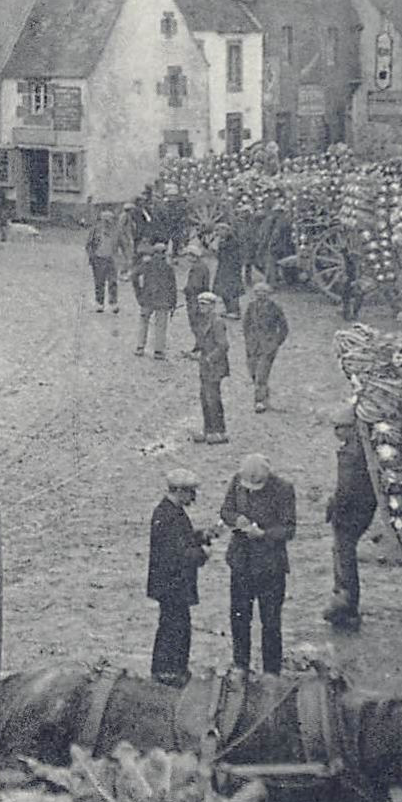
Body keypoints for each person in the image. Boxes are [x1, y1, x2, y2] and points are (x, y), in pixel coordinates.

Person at [218, 454, 296, 674]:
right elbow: (225, 511)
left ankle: (271, 672)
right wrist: (236, 520)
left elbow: (289, 529)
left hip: (270, 566)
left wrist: (264, 534)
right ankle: (240, 665)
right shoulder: (237, 481)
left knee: (271, 622)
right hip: (241, 562)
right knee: (239, 617)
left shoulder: (283, 489)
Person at [146, 469, 212, 687]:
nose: (193, 497)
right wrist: (203, 554)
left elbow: (179, 542)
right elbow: (180, 554)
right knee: (175, 628)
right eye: (191, 492)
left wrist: (201, 536)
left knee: (174, 626)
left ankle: (169, 670)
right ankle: (170, 672)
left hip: (169, 584)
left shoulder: (168, 512)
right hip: (173, 585)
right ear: (181, 491)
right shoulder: (170, 515)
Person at [324, 404, 377, 629]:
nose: (337, 433)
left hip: (352, 511)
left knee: (343, 555)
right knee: (343, 553)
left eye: (341, 428)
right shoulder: (362, 448)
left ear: (351, 428)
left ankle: (345, 604)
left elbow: (345, 489)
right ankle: (345, 602)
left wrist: (334, 507)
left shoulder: (350, 454)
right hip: (364, 507)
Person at [242, 281, 290, 413]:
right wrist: (248, 339)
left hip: (267, 347)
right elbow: (246, 324)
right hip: (252, 346)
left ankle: (259, 401)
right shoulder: (251, 306)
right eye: (257, 293)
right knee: (252, 372)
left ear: (268, 294)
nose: (260, 295)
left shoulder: (275, 307)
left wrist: (275, 343)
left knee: (261, 375)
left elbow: (284, 328)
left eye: (263, 293)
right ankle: (265, 397)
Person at [190, 293, 230, 445]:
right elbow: (202, 341)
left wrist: (208, 358)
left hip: (215, 366)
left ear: (213, 306)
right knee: (205, 398)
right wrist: (194, 351)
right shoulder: (204, 320)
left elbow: (223, 345)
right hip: (205, 366)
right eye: (200, 304)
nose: (202, 307)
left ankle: (219, 431)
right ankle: (209, 430)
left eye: (205, 304)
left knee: (213, 398)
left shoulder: (217, 322)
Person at [132, 242, 177, 361]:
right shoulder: (168, 267)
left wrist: (139, 293)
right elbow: (173, 286)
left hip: (147, 298)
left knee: (143, 322)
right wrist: (173, 302)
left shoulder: (147, 264)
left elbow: (134, 276)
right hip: (163, 300)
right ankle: (158, 350)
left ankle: (140, 347)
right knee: (161, 325)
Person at [84, 209, 123, 313]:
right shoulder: (95, 230)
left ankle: (113, 303)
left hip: (112, 259)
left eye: (109, 220)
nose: (107, 222)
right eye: (105, 220)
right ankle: (99, 303)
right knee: (99, 282)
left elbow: (123, 244)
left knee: (113, 281)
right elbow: (88, 244)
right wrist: (91, 256)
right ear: (101, 220)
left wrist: (124, 258)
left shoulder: (117, 231)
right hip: (99, 259)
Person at [182, 243, 212, 352]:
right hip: (200, 298)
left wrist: (186, 290)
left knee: (196, 323)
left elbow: (196, 285)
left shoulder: (197, 268)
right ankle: (199, 346)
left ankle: (200, 347)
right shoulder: (202, 266)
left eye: (187, 255)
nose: (186, 258)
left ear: (192, 255)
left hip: (195, 300)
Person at [212, 223, 244, 318]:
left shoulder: (232, 241)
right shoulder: (224, 241)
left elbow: (231, 255)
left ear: (225, 230)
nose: (217, 233)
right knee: (224, 290)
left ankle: (235, 311)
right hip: (224, 267)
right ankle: (229, 310)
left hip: (231, 268)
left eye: (219, 231)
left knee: (232, 290)